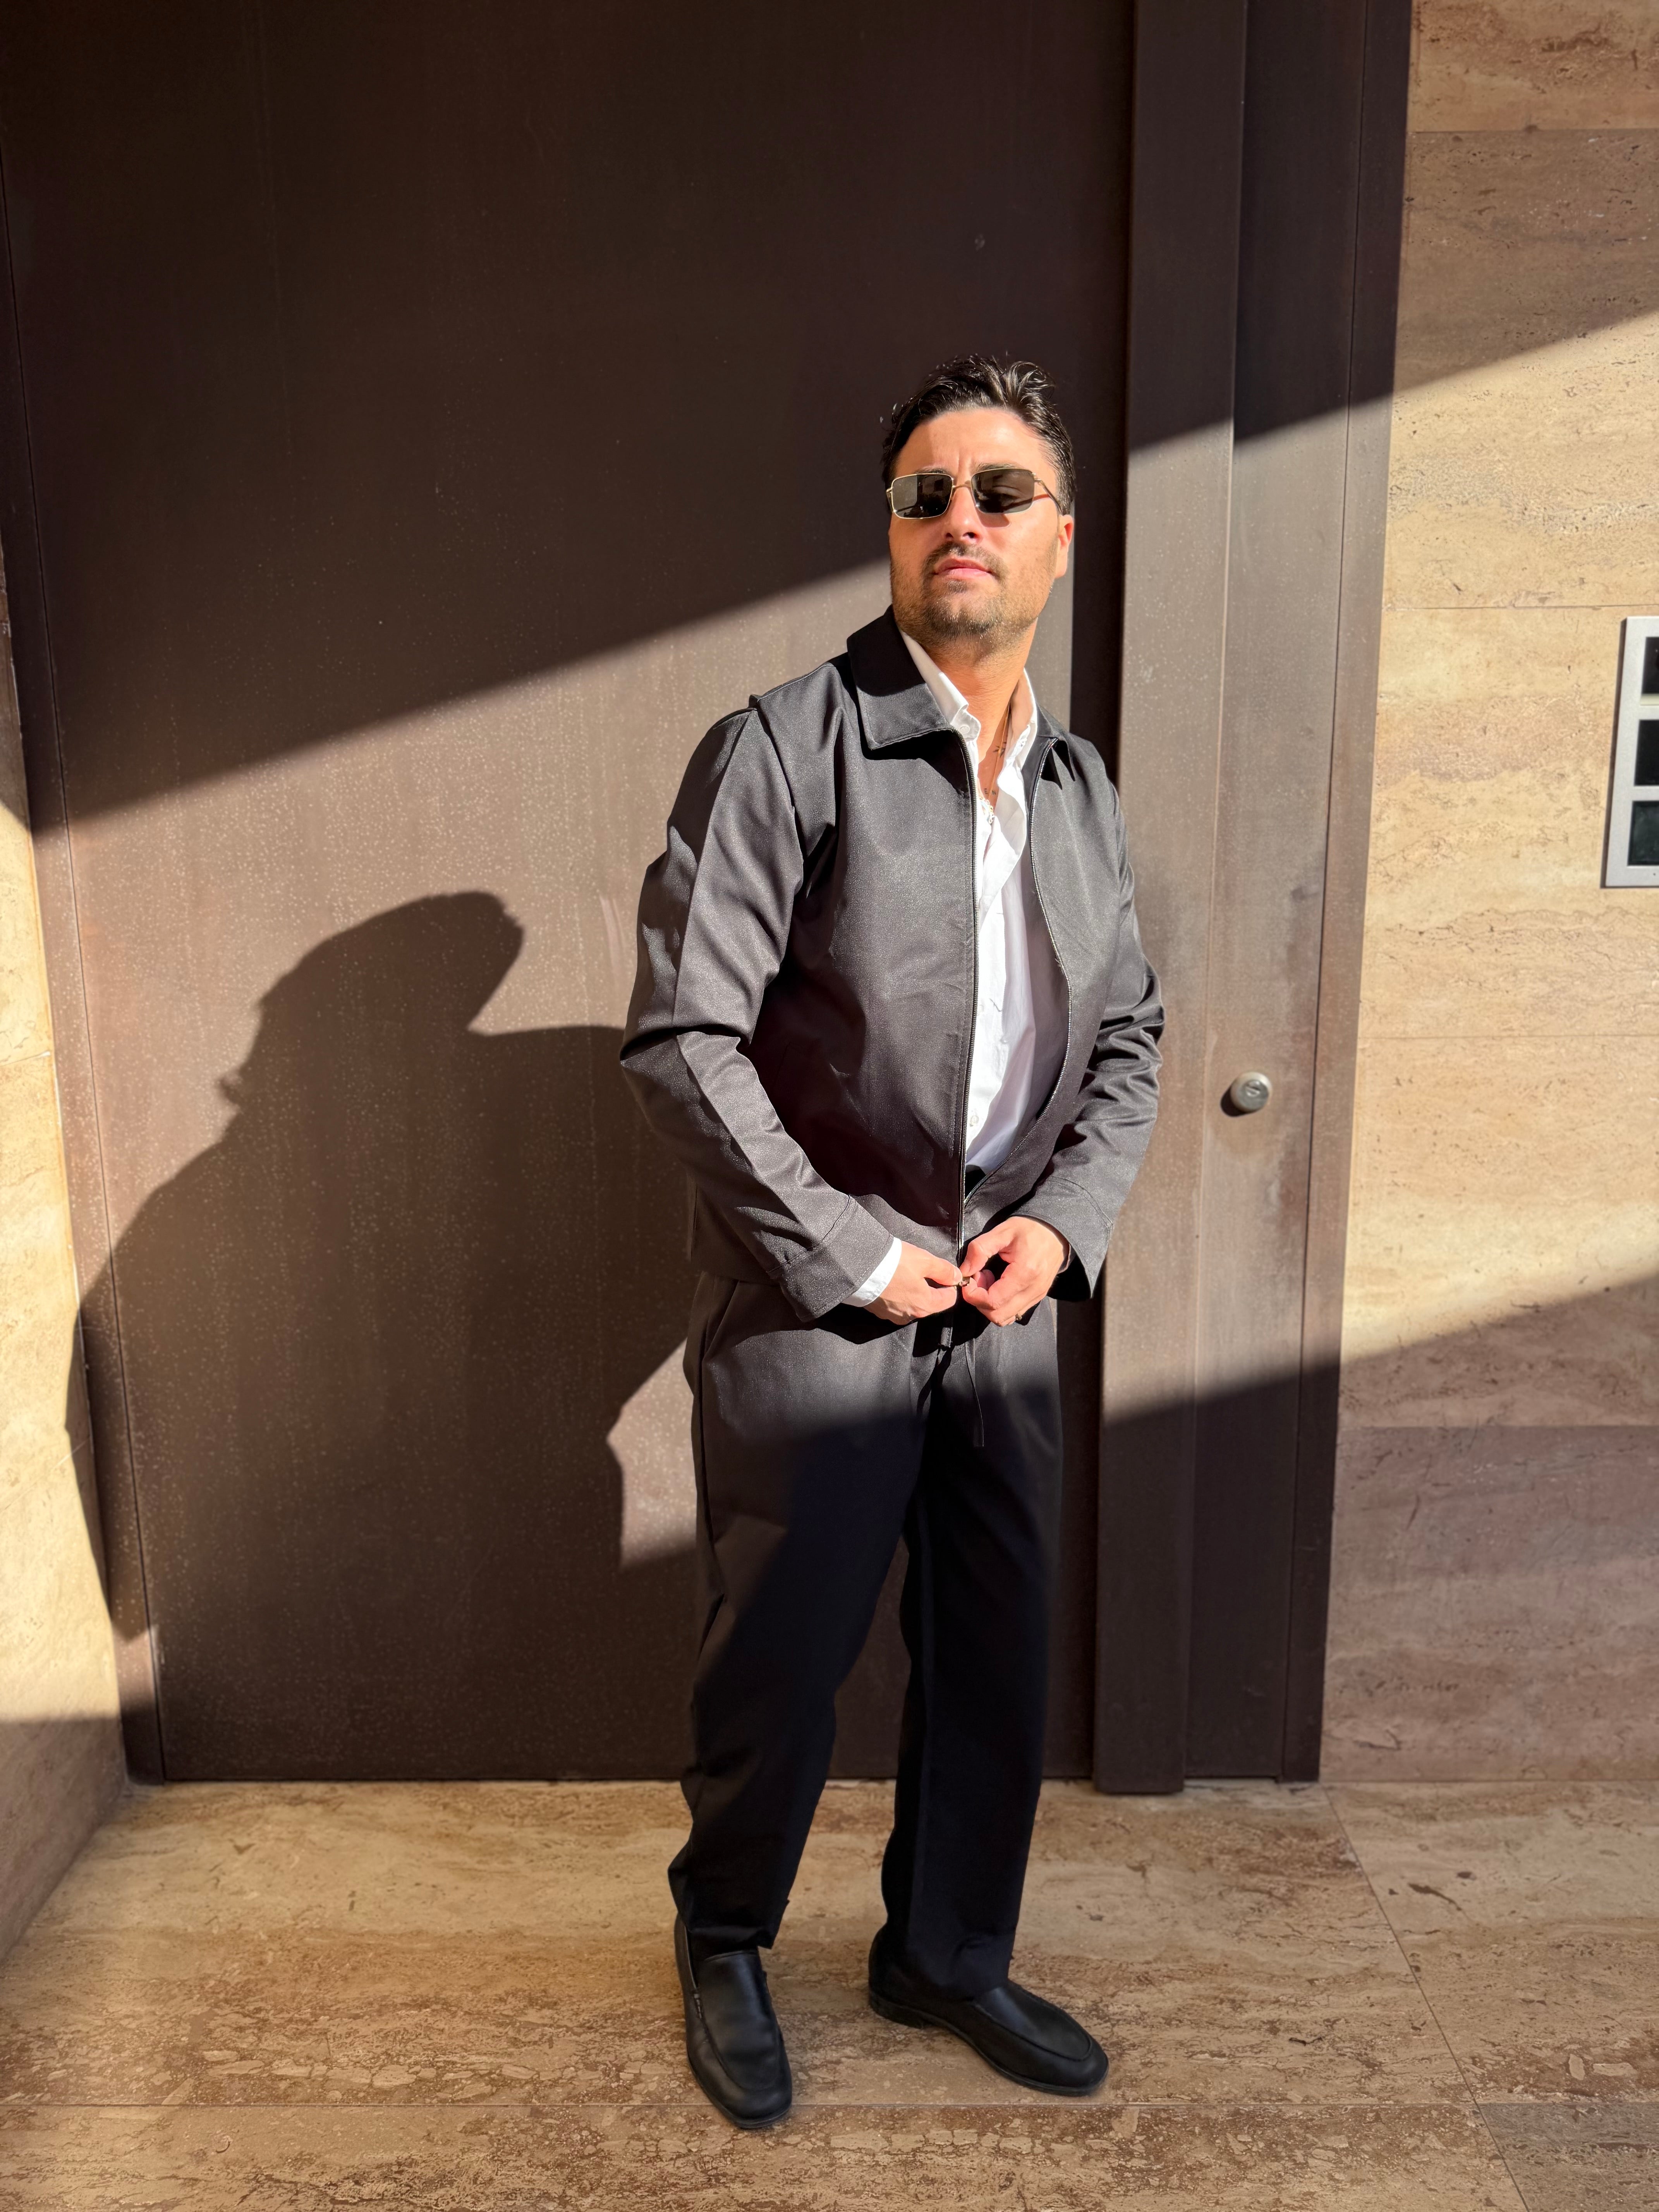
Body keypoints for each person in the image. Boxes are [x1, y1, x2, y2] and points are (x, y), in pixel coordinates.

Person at [622, 356, 1162, 2129]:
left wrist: (1061, 1229)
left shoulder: (1077, 788)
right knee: (779, 1662)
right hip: (820, 1304)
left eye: (1002, 493)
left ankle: (943, 1953)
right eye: (927, 494)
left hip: (1004, 1302)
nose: (961, 521)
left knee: (998, 1655)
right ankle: (723, 1937)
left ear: (1061, 538)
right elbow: (684, 1040)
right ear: (892, 534)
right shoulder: (786, 749)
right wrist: (853, 1255)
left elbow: (1131, 1036)